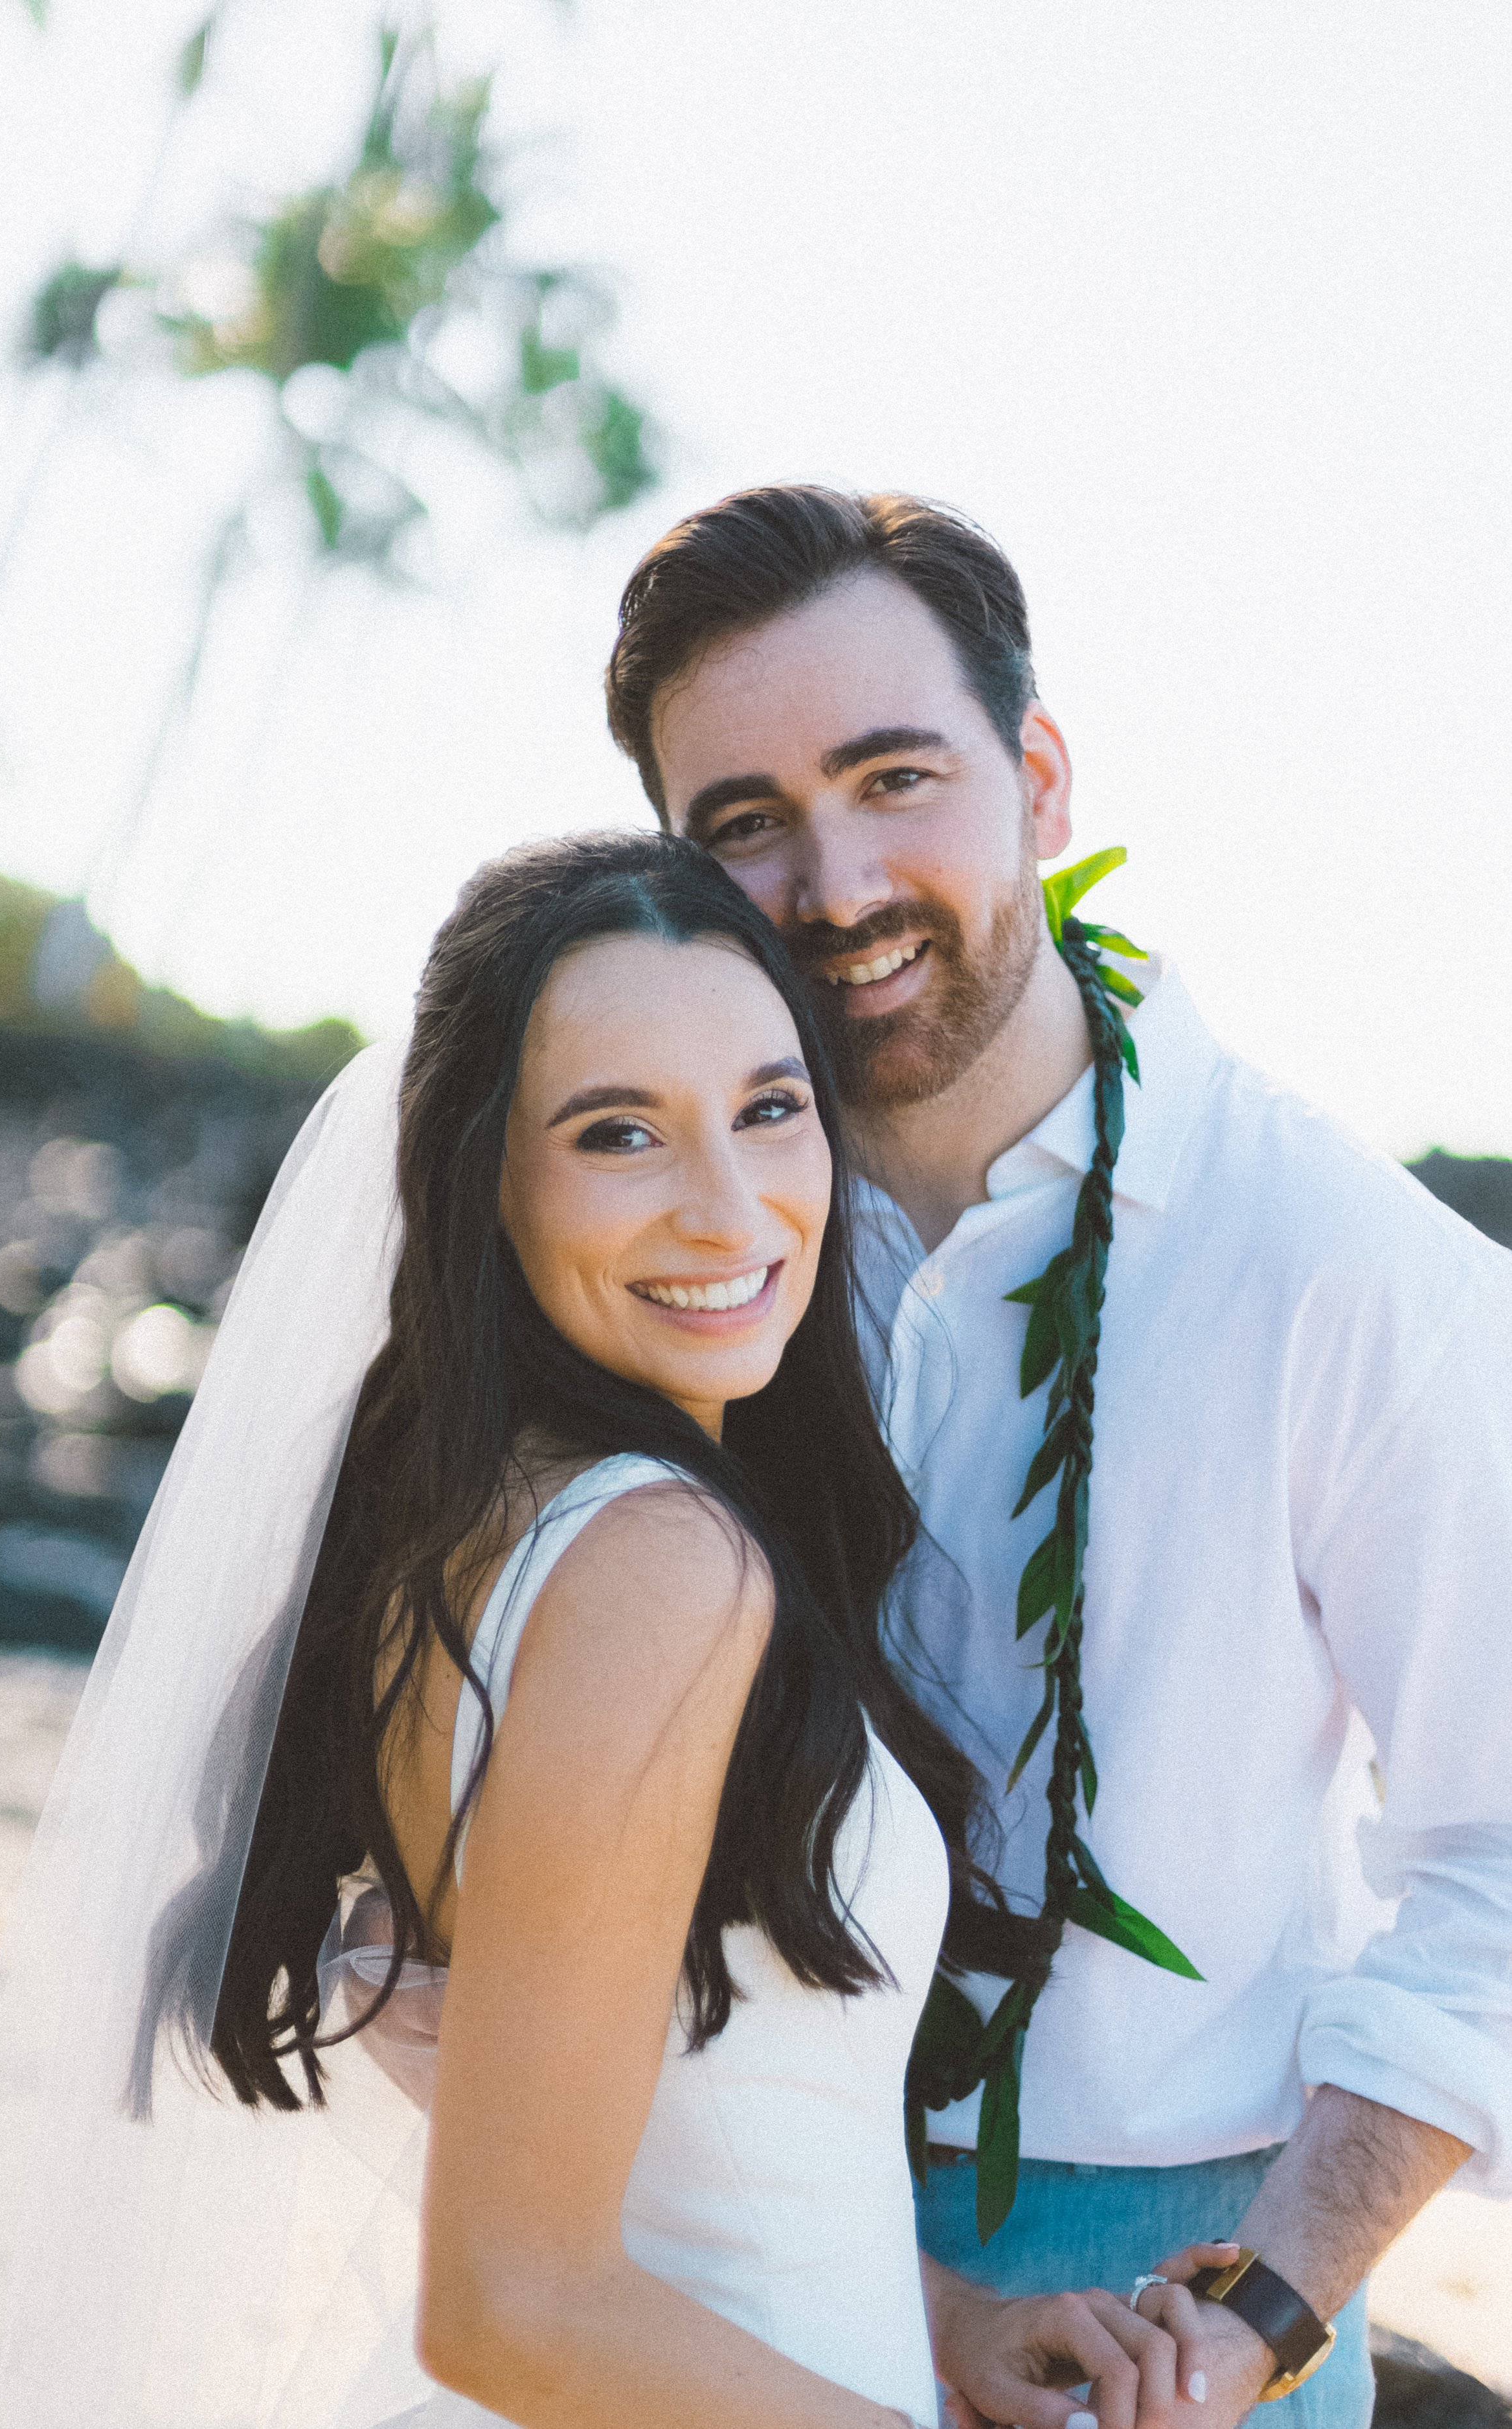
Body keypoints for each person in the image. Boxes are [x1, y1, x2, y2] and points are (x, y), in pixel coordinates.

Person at [0, 830, 1228, 2429]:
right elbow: (510, 2303)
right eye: (619, 1135)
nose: (729, 1210)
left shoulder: (472, 1531)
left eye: (768, 1108)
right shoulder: (660, 1567)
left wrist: (940, 2317)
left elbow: (602, 2101)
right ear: (485, 1180)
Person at [603, 487, 1512, 2429]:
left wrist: (1259, 2306)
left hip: (1176, 2283)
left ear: (1034, 775)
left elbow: (1498, 1854)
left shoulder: (1350, 1271)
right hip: (723, 2237)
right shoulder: (682, 1256)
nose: (833, 883)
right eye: (742, 822)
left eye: (893, 777)